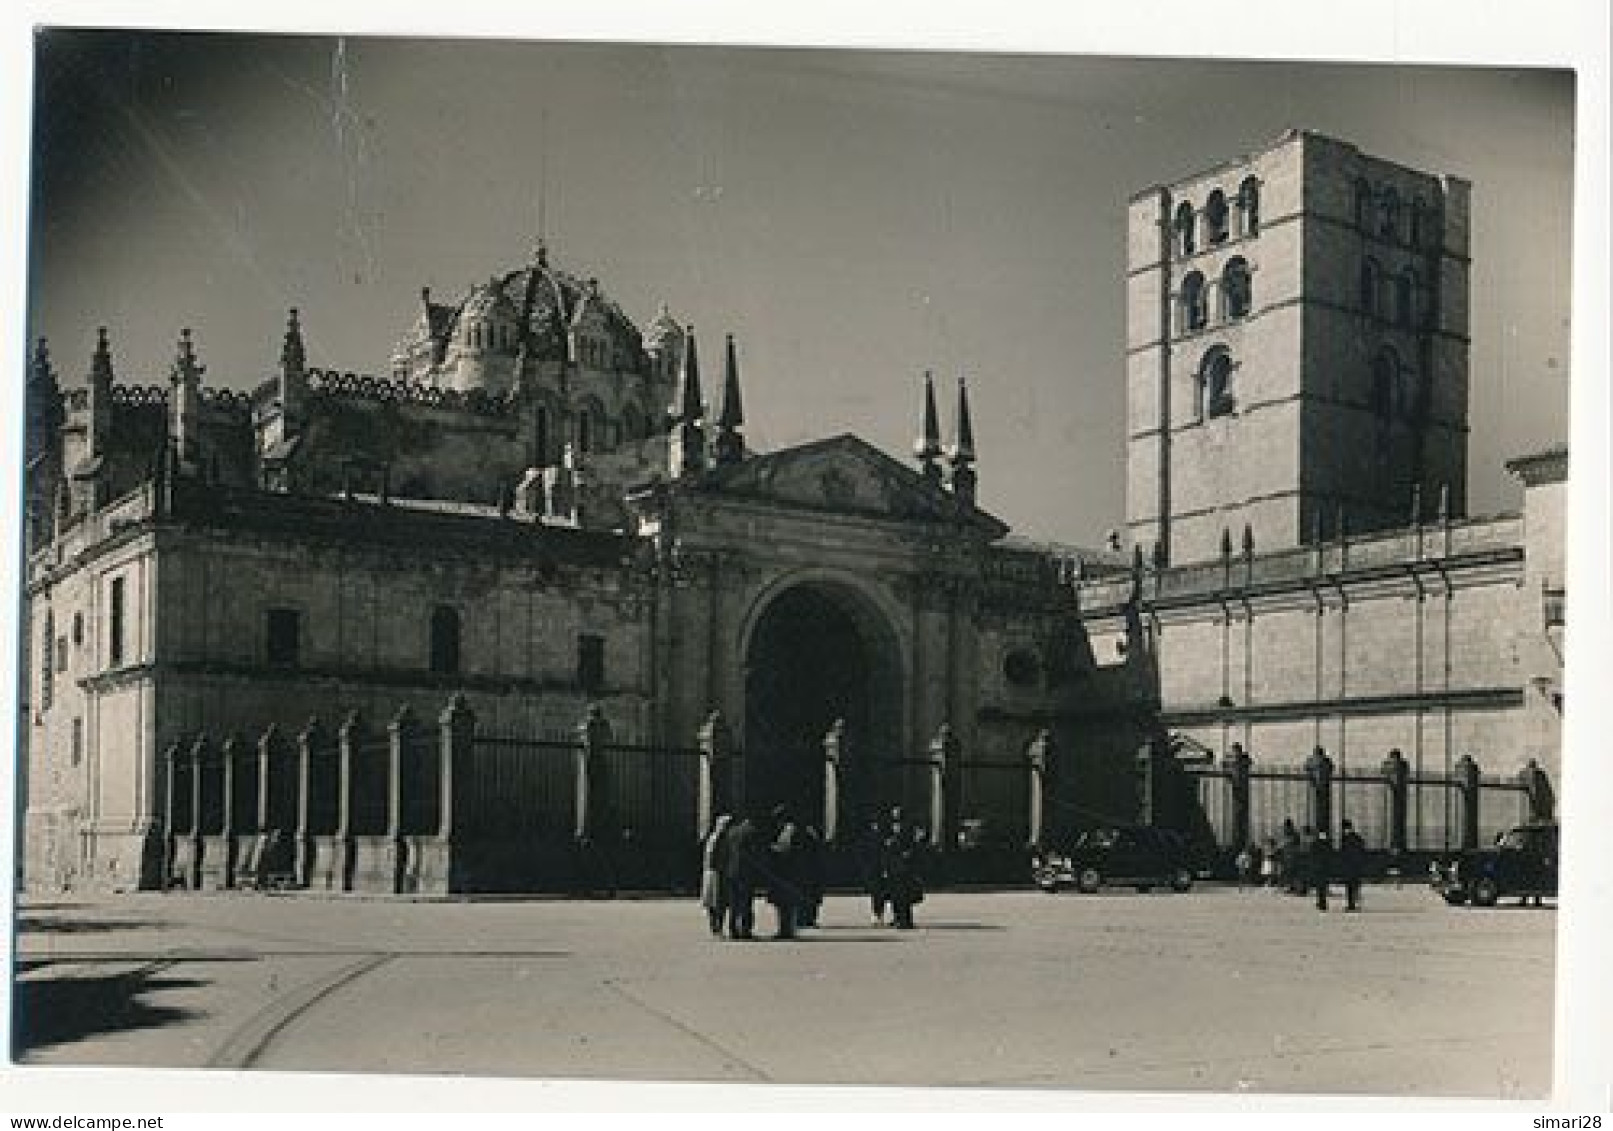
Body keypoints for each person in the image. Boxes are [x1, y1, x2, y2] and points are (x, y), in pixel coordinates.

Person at [880, 807, 925, 930]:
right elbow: (885, 850)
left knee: (903, 895)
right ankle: (897, 918)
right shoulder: (889, 830)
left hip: (904, 867)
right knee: (895, 895)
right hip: (893, 867)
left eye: (898, 814)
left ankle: (905, 920)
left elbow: (913, 846)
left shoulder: (908, 829)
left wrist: (907, 854)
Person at [722, 813, 764, 940]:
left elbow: (726, 852)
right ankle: (745, 930)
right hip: (746, 872)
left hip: (731, 871)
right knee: (746, 902)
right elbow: (756, 852)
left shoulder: (732, 832)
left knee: (734, 902)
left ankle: (733, 930)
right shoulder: (751, 832)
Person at [766, 805, 805, 940]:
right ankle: (786, 929)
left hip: (786, 873)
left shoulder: (788, 830)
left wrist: (771, 848)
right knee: (786, 904)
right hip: (789, 873)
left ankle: (786, 930)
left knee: (785, 904)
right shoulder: (790, 829)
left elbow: (784, 849)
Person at [698, 814, 734, 936]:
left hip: (712, 873)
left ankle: (716, 926)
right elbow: (714, 858)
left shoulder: (714, 838)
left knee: (717, 902)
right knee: (717, 901)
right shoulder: (718, 839)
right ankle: (716, 926)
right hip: (715, 873)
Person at [860, 809, 893, 925]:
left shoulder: (880, 836)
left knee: (883, 893)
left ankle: (880, 914)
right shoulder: (870, 837)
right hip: (873, 869)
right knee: (876, 893)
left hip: (880, 868)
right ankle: (878, 914)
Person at [795, 822, 826, 929]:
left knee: (813, 880)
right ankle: (803, 915)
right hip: (804, 834)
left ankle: (809, 915)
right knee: (804, 878)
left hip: (815, 835)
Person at [1338, 819, 1367, 912]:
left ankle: (1351, 904)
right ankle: (1354, 903)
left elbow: (1344, 853)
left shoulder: (1346, 839)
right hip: (1356, 866)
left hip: (1350, 866)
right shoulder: (1357, 838)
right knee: (1355, 885)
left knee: (1350, 886)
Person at [1310, 828, 1334, 911]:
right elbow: (1331, 856)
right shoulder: (1328, 844)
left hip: (1318, 868)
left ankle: (1321, 902)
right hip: (1325, 867)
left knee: (1320, 886)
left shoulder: (1315, 844)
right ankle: (1322, 902)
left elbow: (1312, 856)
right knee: (1323, 885)